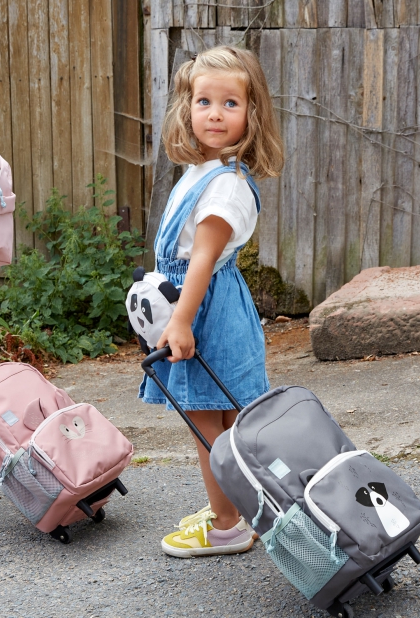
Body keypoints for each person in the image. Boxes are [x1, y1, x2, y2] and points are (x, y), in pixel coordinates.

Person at [140, 45, 284, 557]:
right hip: (208, 304)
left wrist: (181, 322)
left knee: (207, 419)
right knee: (222, 417)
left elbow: (201, 261)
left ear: (251, 113)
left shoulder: (225, 187)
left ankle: (225, 526)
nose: (215, 114)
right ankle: (237, 508)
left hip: (205, 309)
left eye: (230, 103)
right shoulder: (206, 171)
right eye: (204, 102)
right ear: (188, 108)